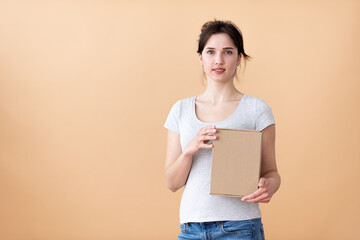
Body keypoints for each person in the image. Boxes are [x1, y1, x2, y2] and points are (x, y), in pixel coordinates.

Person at [163, 20, 280, 240]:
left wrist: (269, 185)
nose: (218, 60)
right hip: (191, 229)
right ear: (200, 58)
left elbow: (272, 172)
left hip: (241, 227)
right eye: (210, 52)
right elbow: (172, 183)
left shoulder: (256, 110)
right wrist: (190, 150)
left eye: (227, 52)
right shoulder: (181, 110)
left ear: (238, 58)